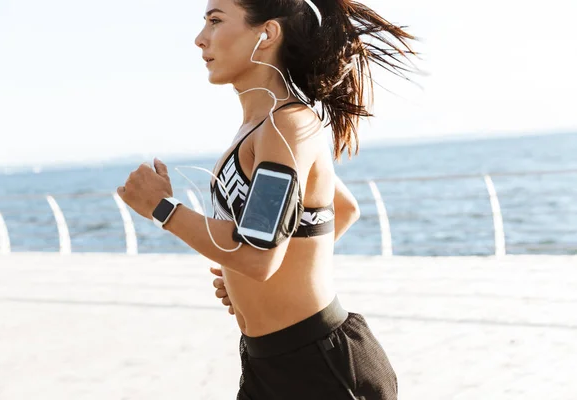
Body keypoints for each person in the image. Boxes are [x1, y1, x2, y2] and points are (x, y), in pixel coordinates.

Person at [117, 0, 421, 398]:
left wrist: (163, 209)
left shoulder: (288, 125)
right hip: (266, 363)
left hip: (321, 369)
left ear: (267, 33)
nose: (199, 38)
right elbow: (342, 210)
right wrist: (250, 281)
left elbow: (259, 256)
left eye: (215, 21)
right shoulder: (259, 127)